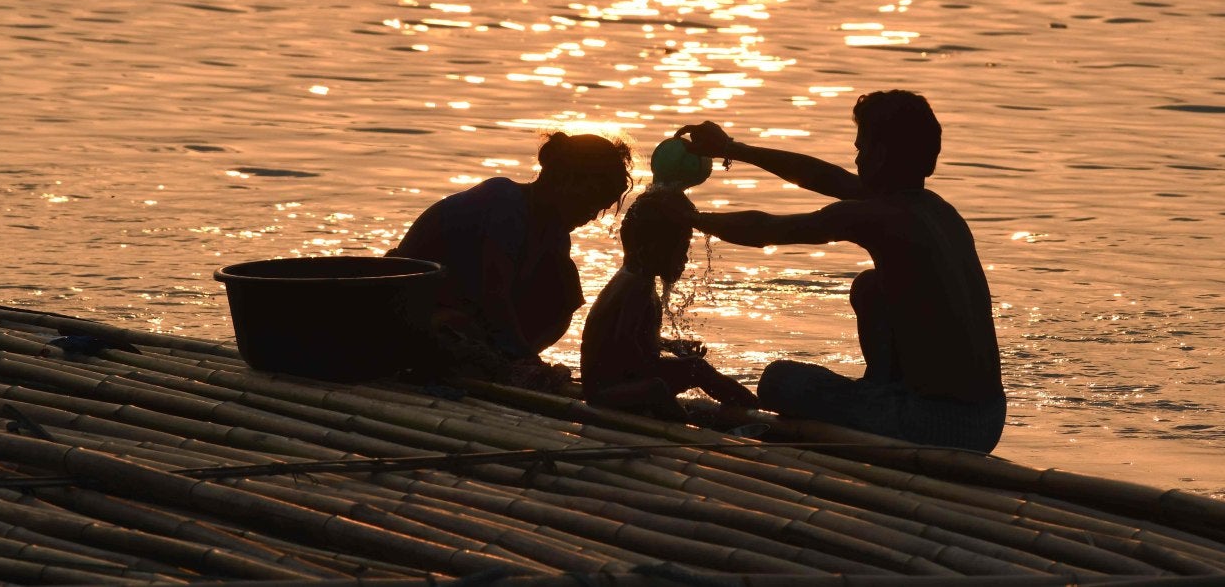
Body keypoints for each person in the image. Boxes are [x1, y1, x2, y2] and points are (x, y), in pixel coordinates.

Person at [674, 90, 1005, 453]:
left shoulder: (878, 216)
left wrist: (690, 219)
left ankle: (882, 405)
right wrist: (732, 149)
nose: (857, 158)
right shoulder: (940, 212)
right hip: (988, 419)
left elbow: (769, 230)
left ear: (881, 156)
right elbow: (823, 176)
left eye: (862, 149)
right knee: (871, 287)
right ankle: (882, 391)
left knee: (779, 381)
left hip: (936, 428)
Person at [389, 131, 632, 385]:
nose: (592, 215)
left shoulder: (554, 232)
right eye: (590, 202)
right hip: (409, 306)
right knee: (454, 333)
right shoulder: (504, 202)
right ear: (566, 182)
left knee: (564, 282)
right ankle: (504, 358)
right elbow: (494, 292)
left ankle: (502, 355)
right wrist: (524, 360)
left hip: (462, 308)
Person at [580, 186, 758, 419]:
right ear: (654, 247)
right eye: (681, 249)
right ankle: (690, 424)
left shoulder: (635, 275)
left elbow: (626, 340)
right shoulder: (637, 286)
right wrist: (662, 364)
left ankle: (755, 408)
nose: (684, 259)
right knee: (669, 382)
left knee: (692, 369)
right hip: (608, 391)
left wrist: (669, 346)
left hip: (615, 382)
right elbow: (625, 343)